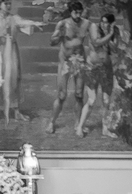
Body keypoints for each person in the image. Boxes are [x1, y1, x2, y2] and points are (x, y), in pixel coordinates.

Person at [0, 0, 43, 122]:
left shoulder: (14, 18)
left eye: (9, 3)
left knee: (14, 78)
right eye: (5, 3)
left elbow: (23, 23)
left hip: (11, 52)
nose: (8, 6)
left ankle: (16, 110)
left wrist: (34, 23)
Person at [46, 2, 90, 135]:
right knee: (61, 95)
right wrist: (60, 35)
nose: (78, 15)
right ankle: (52, 122)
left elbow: (94, 38)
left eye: (80, 12)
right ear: (70, 12)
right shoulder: (63, 24)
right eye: (75, 12)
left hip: (79, 61)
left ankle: (78, 123)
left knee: (79, 95)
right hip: (65, 62)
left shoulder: (86, 24)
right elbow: (52, 42)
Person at [77, 13, 118, 138]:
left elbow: (114, 48)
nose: (104, 24)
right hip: (92, 68)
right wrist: (109, 34)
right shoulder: (94, 27)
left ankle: (105, 129)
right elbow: (96, 43)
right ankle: (80, 127)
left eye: (107, 22)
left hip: (106, 68)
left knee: (106, 100)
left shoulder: (114, 31)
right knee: (92, 99)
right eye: (103, 21)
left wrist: (110, 33)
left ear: (111, 23)